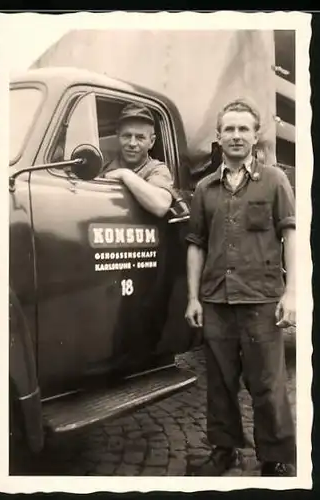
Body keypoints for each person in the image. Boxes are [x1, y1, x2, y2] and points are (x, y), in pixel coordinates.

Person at [185, 98, 296, 477]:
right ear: (218, 136)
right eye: (229, 129)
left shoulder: (275, 180)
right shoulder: (204, 188)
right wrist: (192, 298)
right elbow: (195, 243)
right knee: (220, 381)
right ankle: (224, 450)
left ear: (256, 134)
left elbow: (290, 235)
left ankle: (275, 456)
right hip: (216, 299)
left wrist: (292, 291)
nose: (236, 136)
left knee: (267, 383)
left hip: (261, 299)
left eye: (243, 129)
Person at [99, 103, 174, 217]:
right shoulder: (104, 167)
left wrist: (125, 174)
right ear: (118, 137)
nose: (132, 143)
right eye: (127, 136)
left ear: (152, 142)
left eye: (140, 137)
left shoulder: (156, 169)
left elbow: (161, 205)